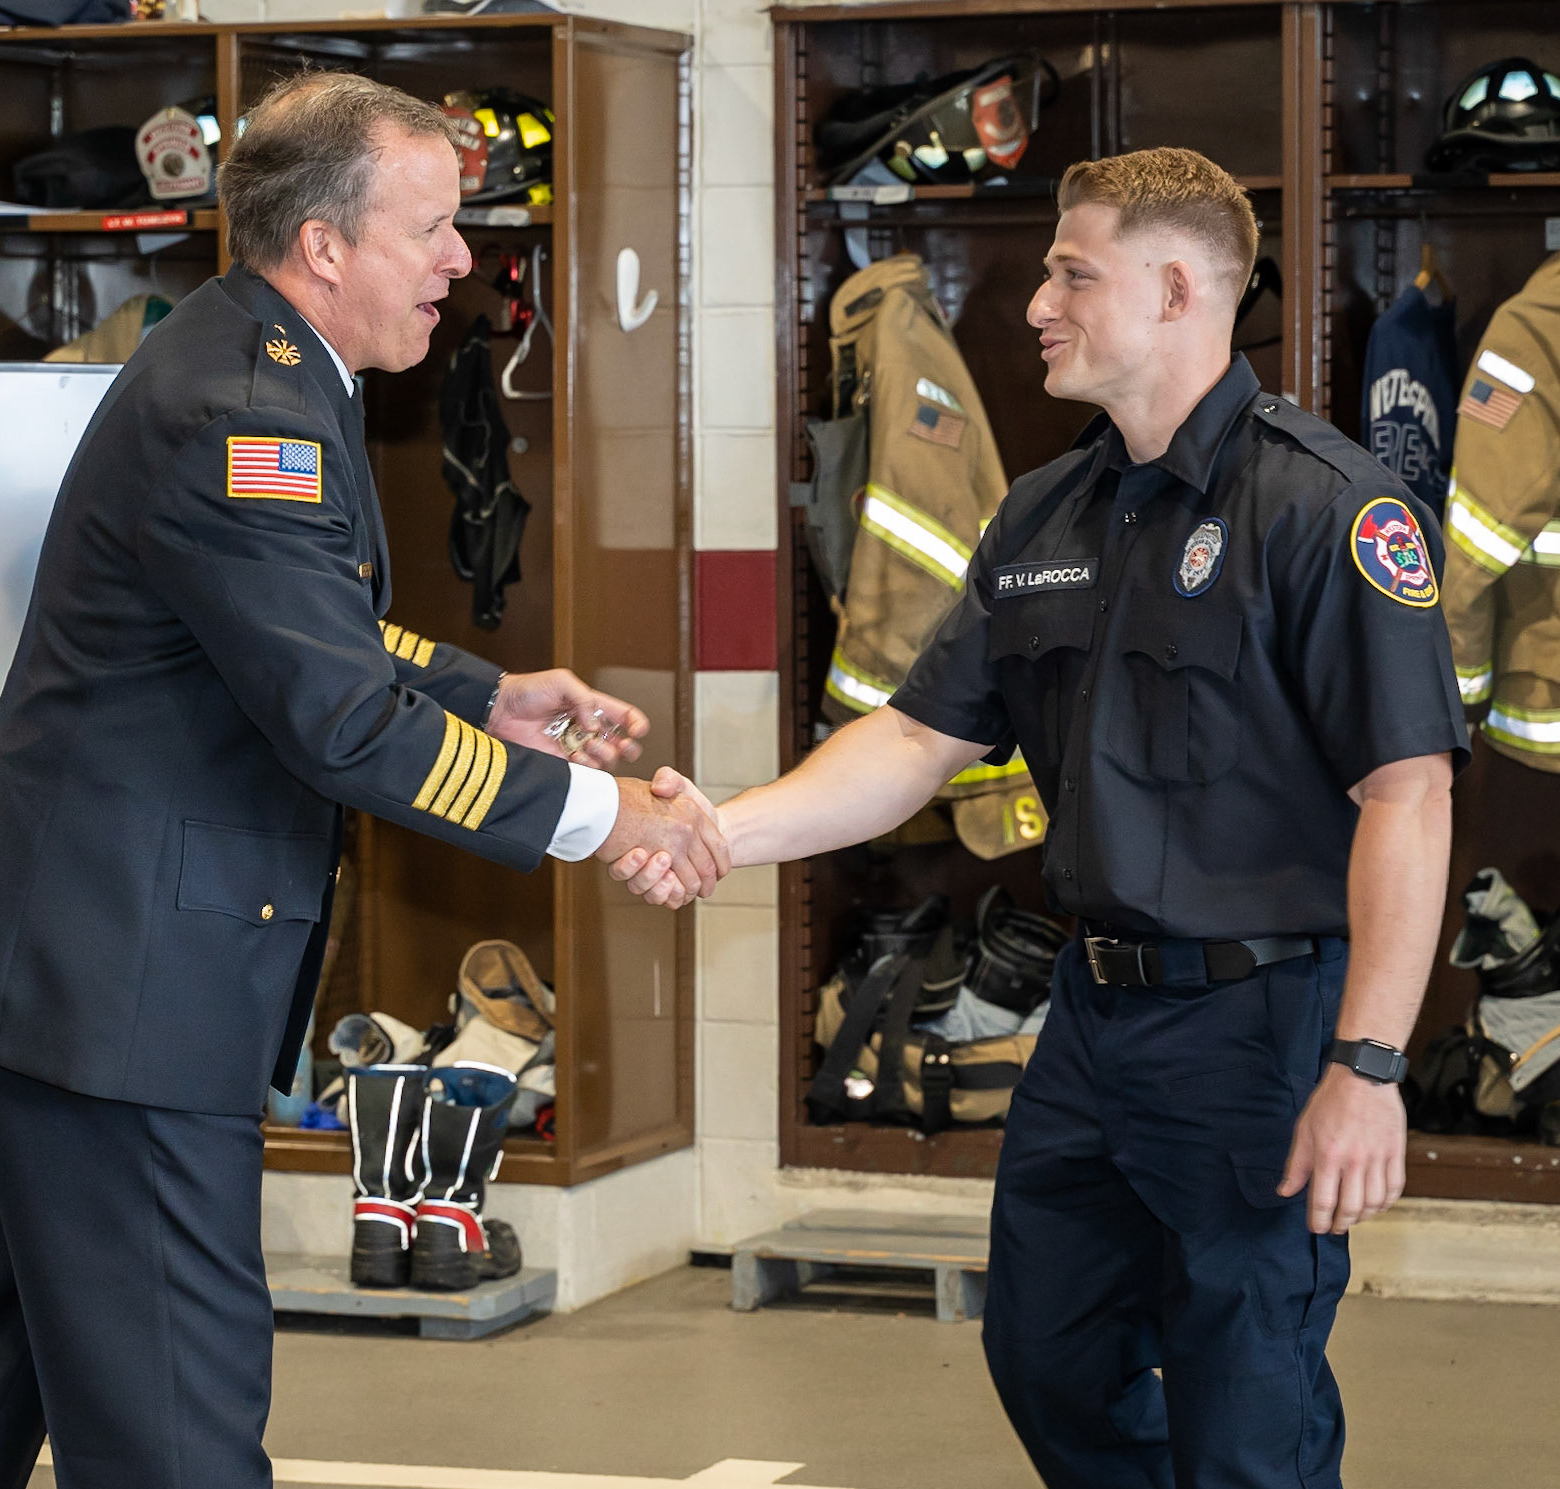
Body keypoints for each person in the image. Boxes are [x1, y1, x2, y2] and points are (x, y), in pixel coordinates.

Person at [0, 72, 725, 1489]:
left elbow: (283, 625)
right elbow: (340, 719)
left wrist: (485, 694)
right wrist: (608, 818)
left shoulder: (253, 363)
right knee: (173, 1422)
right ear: (324, 245)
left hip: (47, 961)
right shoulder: (250, 414)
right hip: (119, 997)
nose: (460, 259)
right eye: (430, 229)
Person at [617, 147, 1467, 1487]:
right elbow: (915, 740)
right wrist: (721, 827)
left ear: (1175, 290)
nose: (1036, 305)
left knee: (1247, 1410)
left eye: (1073, 274)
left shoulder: (1324, 508)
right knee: (1049, 1356)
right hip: (1091, 1022)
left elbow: (1407, 794)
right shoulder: (1043, 512)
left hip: (1259, 1027)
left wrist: (1365, 1069)